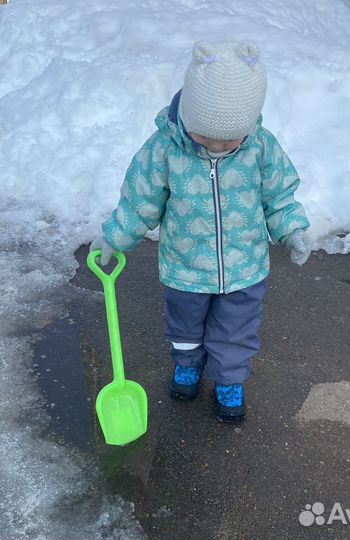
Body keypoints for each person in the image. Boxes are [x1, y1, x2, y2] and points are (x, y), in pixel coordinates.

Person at [90, 40, 312, 423]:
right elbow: (140, 200)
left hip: (245, 269)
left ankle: (229, 380)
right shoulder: (165, 150)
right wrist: (114, 237)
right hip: (184, 268)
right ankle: (188, 365)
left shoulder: (259, 148)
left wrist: (292, 229)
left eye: (230, 141)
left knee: (235, 331)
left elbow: (279, 194)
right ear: (190, 115)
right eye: (207, 138)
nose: (219, 147)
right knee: (185, 327)